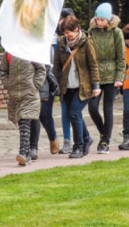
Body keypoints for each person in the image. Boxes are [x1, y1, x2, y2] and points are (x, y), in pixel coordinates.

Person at [52, 15, 101, 158]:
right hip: (67, 86)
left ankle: (78, 146)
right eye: (65, 32)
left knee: (74, 113)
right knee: (74, 114)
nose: (67, 35)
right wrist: (55, 83)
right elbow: (57, 66)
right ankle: (87, 138)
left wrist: (96, 85)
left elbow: (93, 65)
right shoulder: (62, 43)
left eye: (69, 32)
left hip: (83, 86)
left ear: (77, 29)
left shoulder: (86, 43)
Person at [87, 3, 126, 154]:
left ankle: (105, 141)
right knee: (92, 107)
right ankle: (103, 131)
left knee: (107, 108)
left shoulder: (116, 32)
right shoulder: (92, 31)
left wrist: (119, 77)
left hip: (111, 75)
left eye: (103, 20)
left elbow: (121, 57)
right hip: (96, 74)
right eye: (98, 19)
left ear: (108, 19)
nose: (100, 22)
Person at [0, 53, 46, 166]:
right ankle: (27, 154)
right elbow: (3, 71)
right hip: (15, 94)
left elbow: (41, 69)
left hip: (30, 93)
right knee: (21, 121)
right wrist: (8, 84)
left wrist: (35, 85)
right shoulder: (9, 53)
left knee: (25, 119)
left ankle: (23, 152)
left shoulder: (30, 51)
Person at [54, 8, 74, 154]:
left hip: (76, 80)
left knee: (74, 112)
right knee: (65, 111)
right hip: (62, 81)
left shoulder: (80, 37)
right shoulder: (56, 38)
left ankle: (83, 138)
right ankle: (68, 140)